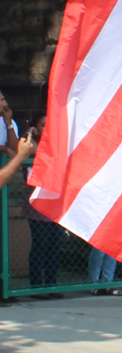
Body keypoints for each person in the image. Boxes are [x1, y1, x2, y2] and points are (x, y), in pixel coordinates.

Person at [22, 112, 65, 300]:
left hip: (56, 203)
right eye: (41, 125)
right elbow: (35, 151)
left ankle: (51, 284)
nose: (45, 128)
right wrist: (29, 134)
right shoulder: (29, 146)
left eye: (48, 125)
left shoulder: (58, 145)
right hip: (37, 204)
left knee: (56, 245)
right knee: (41, 243)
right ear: (34, 127)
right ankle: (36, 286)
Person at [0, 90, 19, 159]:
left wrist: (9, 124)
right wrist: (5, 149)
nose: (6, 104)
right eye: (2, 100)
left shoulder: (9, 121)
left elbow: (14, 150)